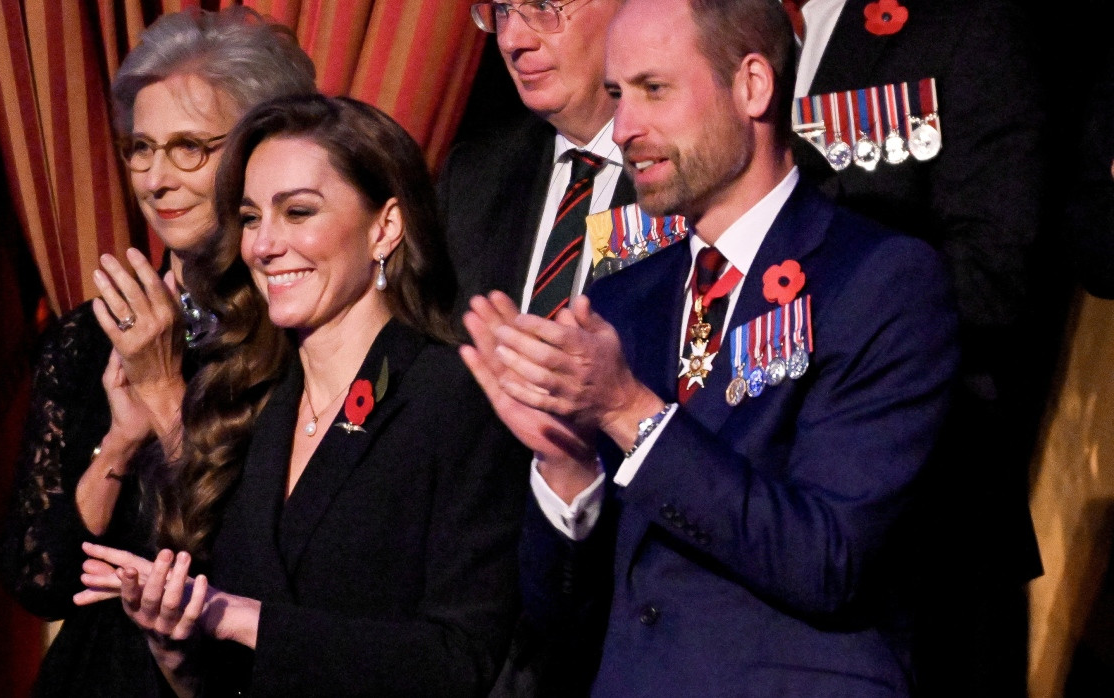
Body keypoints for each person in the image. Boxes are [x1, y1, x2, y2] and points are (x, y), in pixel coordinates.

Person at [461, 0, 959, 694]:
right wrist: (566, 467)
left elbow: (829, 559)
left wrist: (630, 412)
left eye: (653, 90)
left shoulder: (877, 280)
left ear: (753, 85)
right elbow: (564, 616)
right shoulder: (619, 301)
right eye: (616, 95)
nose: (625, 128)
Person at [75, 94, 530, 697]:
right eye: (252, 217)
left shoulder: (452, 397)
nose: (264, 245)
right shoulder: (246, 399)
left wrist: (235, 616)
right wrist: (173, 640)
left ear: (385, 227)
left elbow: (461, 659)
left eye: (298, 212)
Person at [0, 8, 315, 696]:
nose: (155, 179)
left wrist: (166, 389)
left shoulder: (302, 334)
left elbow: (259, 573)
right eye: (141, 148)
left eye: (189, 148)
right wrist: (117, 443)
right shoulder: (91, 336)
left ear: (263, 150)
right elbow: (38, 579)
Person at [783, 1, 1047, 691]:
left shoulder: (959, 27)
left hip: (920, 528)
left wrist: (810, 318)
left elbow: (995, 275)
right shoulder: (707, 24)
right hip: (738, 525)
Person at [438, 0, 635, 320]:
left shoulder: (700, 175)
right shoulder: (474, 176)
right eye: (502, 10)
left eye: (542, 6)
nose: (510, 40)